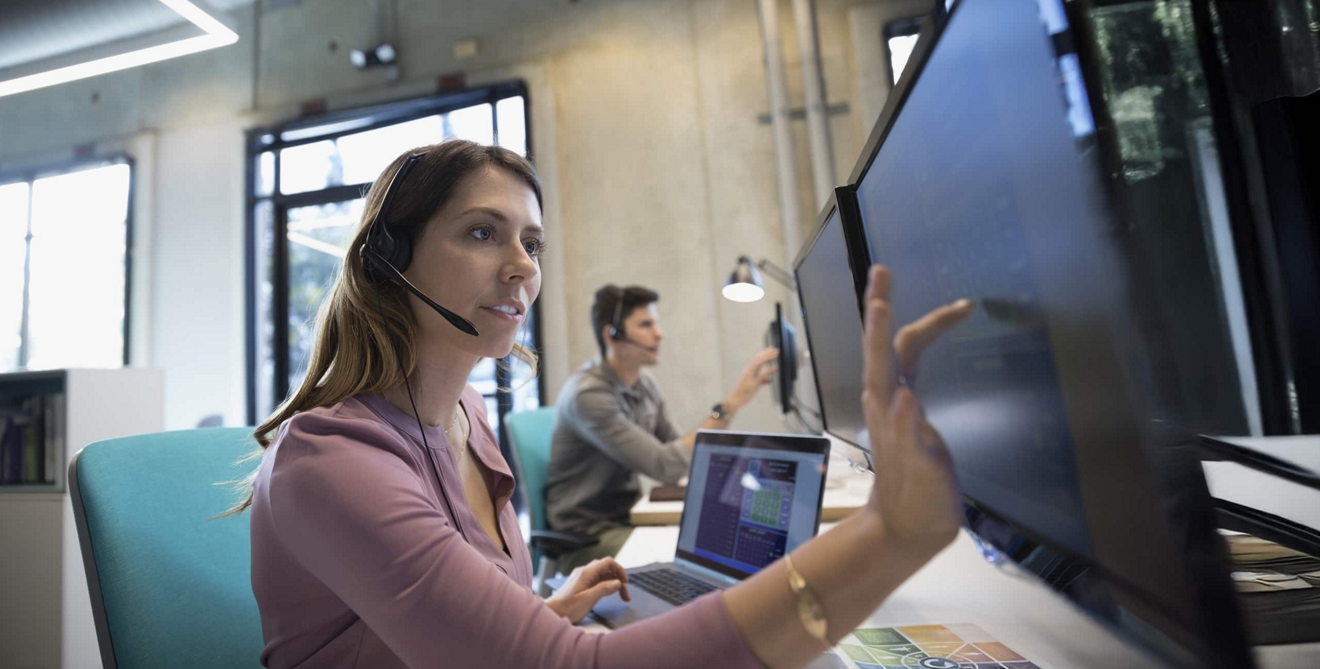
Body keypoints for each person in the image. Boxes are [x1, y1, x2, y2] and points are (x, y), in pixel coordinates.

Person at [235, 139, 975, 669]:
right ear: (389, 262)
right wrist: (890, 535)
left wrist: (538, 615)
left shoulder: (469, 419)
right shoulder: (331, 462)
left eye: (532, 243)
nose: (523, 267)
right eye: (483, 233)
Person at [544, 284, 779, 572]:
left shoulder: (643, 384)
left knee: (725, 540)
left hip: (629, 521)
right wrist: (731, 404)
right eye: (646, 325)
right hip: (588, 540)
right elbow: (665, 466)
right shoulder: (589, 396)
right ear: (612, 335)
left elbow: (683, 455)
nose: (659, 333)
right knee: (703, 556)